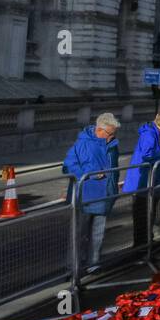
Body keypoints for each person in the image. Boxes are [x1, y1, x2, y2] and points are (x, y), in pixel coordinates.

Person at [62, 113, 121, 272]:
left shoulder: (112, 144)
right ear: (99, 130)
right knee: (78, 234)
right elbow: (68, 166)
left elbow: (114, 170)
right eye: (110, 133)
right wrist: (90, 174)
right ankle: (73, 267)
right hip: (85, 196)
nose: (112, 137)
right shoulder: (83, 144)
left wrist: (114, 187)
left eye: (114, 133)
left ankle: (93, 264)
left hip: (104, 195)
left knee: (97, 234)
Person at [122, 111, 160, 246]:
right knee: (142, 214)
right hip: (143, 181)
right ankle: (141, 245)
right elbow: (147, 154)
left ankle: (148, 241)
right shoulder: (149, 134)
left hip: (154, 180)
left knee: (150, 212)